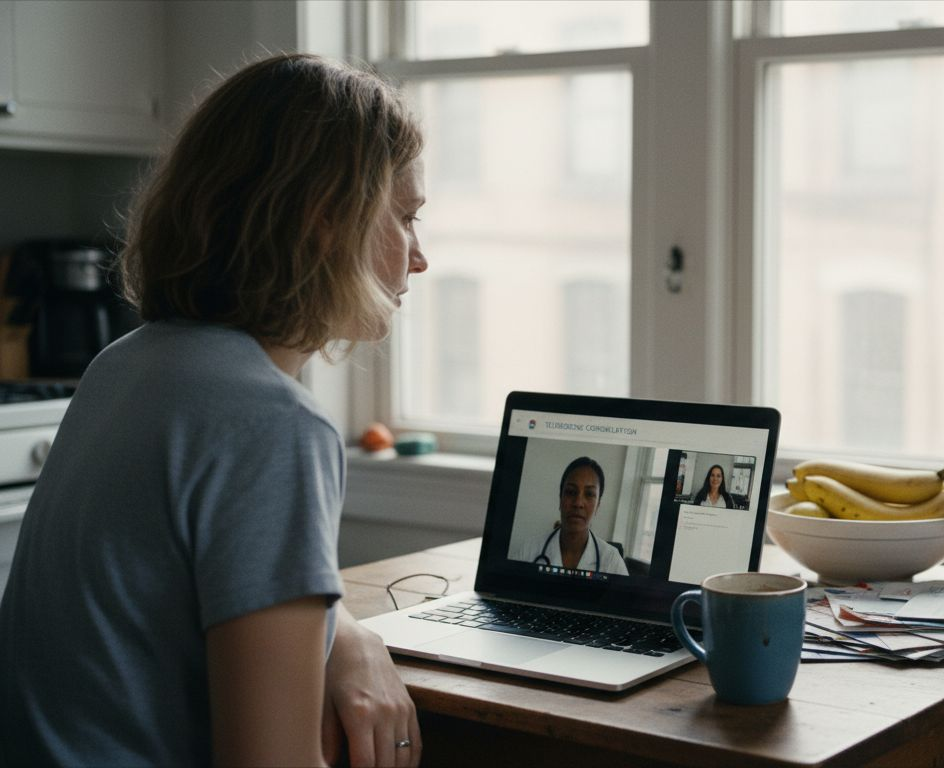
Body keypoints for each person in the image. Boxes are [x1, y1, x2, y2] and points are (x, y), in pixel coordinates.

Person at [0, 53, 427, 767]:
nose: (420, 257)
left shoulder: (131, 364)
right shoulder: (272, 425)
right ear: (327, 220)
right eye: (407, 217)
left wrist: (350, 635)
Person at [519, 457, 629, 576]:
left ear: (598, 505)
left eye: (589, 494)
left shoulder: (612, 561)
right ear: (560, 499)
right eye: (571, 492)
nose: (578, 503)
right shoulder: (528, 552)